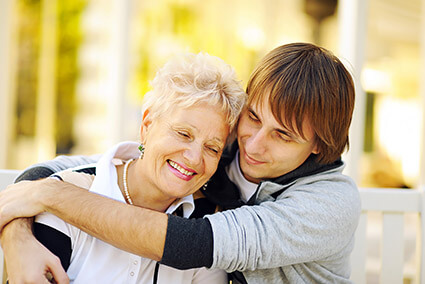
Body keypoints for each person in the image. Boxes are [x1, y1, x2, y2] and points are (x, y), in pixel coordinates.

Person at [0, 42, 361, 284]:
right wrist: (17, 236)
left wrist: (52, 195)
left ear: (318, 145)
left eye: (282, 135)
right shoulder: (223, 151)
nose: (254, 142)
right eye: (252, 117)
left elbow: (192, 244)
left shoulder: (329, 204)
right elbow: (71, 170)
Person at [0, 52, 247, 283]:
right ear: (147, 125)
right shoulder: (63, 196)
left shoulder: (207, 224)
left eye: (212, 148)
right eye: (183, 134)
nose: (194, 158)